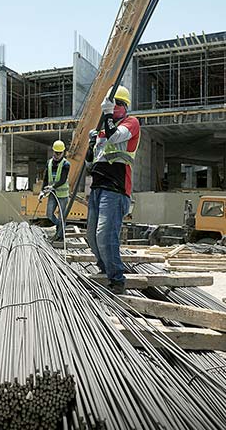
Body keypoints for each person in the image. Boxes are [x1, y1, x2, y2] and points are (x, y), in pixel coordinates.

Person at [86, 85, 140, 294]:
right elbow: (90, 162)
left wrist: (107, 114)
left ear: (124, 106)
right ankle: (105, 268)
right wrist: (92, 144)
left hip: (116, 188)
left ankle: (117, 280)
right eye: (112, 103)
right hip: (98, 187)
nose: (114, 106)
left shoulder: (131, 123)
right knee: (92, 236)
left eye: (118, 103)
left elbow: (116, 136)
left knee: (105, 235)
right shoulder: (103, 129)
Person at [41, 140, 70, 240]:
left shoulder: (66, 164)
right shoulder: (49, 163)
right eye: (56, 153)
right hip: (52, 194)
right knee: (49, 214)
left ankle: (60, 236)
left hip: (63, 195)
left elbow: (62, 179)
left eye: (59, 153)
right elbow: (45, 178)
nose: (57, 155)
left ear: (63, 152)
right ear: (53, 151)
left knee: (62, 216)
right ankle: (61, 226)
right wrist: (42, 191)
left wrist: (52, 187)